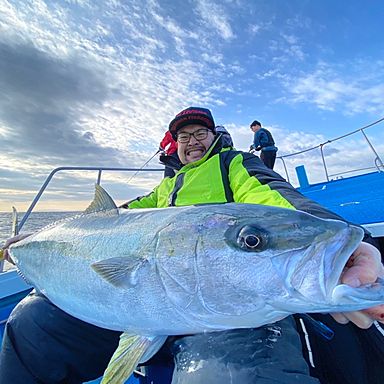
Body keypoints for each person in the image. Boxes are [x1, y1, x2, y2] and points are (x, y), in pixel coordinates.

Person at [0, 107, 383, 384]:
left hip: (223, 306)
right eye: (184, 137)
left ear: (215, 137)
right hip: (142, 298)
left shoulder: (234, 165)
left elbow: (279, 201)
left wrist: (352, 242)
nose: (192, 142)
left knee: (236, 374)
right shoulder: (166, 187)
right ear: (175, 146)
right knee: (32, 323)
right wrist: (26, 241)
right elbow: (114, 217)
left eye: (200, 133)